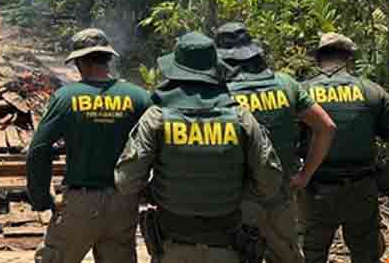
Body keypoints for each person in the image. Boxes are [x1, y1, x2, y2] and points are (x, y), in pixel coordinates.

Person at [115, 32, 284, 263]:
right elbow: (270, 183)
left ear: (174, 73)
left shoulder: (156, 118)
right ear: (215, 71)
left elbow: (126, 181)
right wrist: (237, 192)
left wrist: (154, 191)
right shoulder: (241, 118)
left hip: (172, 246)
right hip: (227, 246)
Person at [27, 28, 151, 263]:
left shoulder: (66, 97)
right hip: (123, 204)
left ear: (81, 62)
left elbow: (38, 150)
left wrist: (41, 197)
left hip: (80, 204)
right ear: (108, 58)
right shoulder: (139, 98)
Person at [215, 22, 336, 263]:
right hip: (281, 197)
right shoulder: (286, 84)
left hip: (235, 201)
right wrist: (305, 175)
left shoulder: (219, 92)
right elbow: (326, 127)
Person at [301, 33, 389, 263]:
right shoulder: (371, 91)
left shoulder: (302, 91)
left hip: (316, 190)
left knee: (311, 254)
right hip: (360, 190)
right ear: (349, 59)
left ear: (318, 59)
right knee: (366, 254)